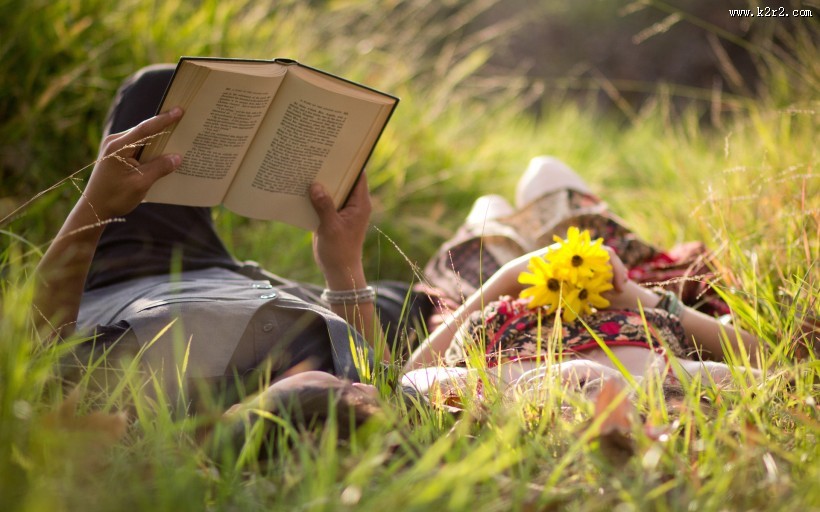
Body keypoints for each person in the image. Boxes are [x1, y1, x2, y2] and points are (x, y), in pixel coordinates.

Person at [32, 64, 426, 412]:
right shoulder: (363, 382)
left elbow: (40, 348)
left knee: (159, 90)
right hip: (268, 288)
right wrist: (344, 265)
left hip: (134, 272)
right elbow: (383, 379)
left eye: (341, 391)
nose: (354, 387)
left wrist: (95, 207)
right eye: (352, 391)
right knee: (423, 301)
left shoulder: (153, 377)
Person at [402, 157, 763, 405]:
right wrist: (637, 297)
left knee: (487, 206)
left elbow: (405, 378)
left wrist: (511, 273)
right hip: (617, 279)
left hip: (485, 287)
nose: (582, 378)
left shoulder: (499, 386)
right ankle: (543, 232)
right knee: (544, 170)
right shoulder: (669, 377)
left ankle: (517, 233)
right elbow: (780, 365)